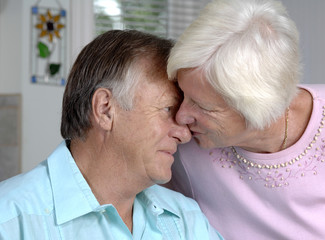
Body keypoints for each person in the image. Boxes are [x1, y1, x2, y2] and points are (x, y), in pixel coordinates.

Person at [0, 30, 223, 240]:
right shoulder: (10, 221)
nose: (184, 134)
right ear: (105, 109)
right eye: (168, 110)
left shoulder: (187, 221)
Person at [167, 0, 325, 239]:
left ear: (257, 107)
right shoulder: (178, 141)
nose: (181, 115)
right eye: (181, 93)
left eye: (202, 106)